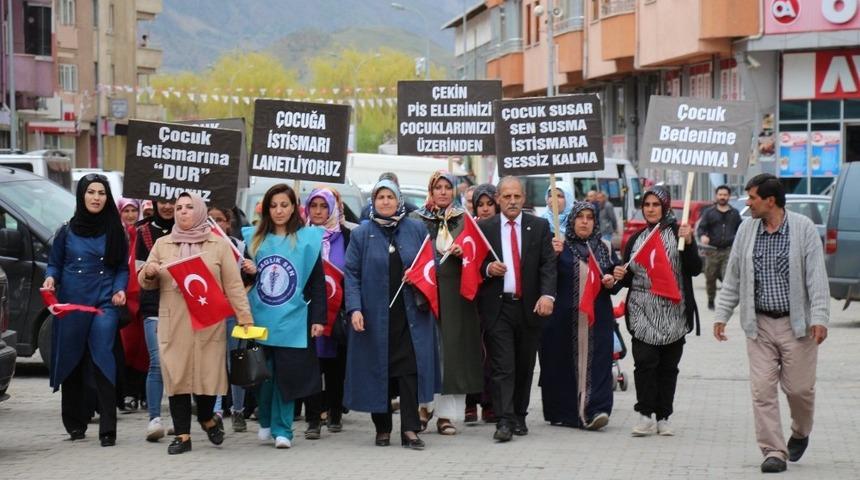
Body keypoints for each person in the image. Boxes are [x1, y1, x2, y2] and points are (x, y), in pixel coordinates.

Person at [713, 174, 829, 474]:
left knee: (800, 390)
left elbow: (817, 277)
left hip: (797, 327)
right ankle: (773, 451)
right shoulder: (747, 230)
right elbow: (734, 277)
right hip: (759, 326)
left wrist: (819, 317)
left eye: (752, 198)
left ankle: (800, 431)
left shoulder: (802, 229)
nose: (747, 203)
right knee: (762, 391)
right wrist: (721, 315)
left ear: (770, 200)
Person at [139, 192, 253, 455]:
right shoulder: (164, 244)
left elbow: (234, 286)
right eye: (179, 207)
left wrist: (245, 318)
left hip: (208, 322)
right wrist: (149, 271)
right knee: (177, 379)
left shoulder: (218, 246)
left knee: (205, 379)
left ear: (200, 210)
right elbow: (146, 281)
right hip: (174, 324)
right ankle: (182, 436)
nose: (182, 212)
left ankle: (207, 418)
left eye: (190, 207)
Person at [344, 180, 441, 450]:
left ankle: (410, 429)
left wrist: (417, 275)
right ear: (373, 201)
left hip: (410, 316)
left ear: (399, 200)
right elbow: (351, 274)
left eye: (390, 197)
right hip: (375, 316)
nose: (385, 202)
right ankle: (382, 428)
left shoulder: (416, 228)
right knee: (380, 371)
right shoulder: (362, 234)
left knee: (409, 372)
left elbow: (430, 266)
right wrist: (355, 308)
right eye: (380, 197)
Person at [43, 173, 128, 446]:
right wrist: (51, 277)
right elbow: (55, 263)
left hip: (104, 303)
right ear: (82, 195)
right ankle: (75, 424)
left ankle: (107, 427)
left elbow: (122, 268)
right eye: (91, 192)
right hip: (72, 302)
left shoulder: (116, 230)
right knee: (72, 358)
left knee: (103, 356)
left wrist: (119, 288)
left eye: (101, 193)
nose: (96, 198)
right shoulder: (66, 231)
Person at [242, 184, 327, 449]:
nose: (279, 211)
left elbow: (317, 283)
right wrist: (249, 272)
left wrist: (318, 318)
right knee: (262, 376)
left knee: (286, 377)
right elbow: (242, 282)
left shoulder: (307, 241)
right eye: (274, 205)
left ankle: (283, 429)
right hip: (260, 318)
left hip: (293, 320)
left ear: (294, 208)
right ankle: (266, 420)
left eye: (284, 205)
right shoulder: (254, 239)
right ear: (267, 209)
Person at [613, 186, 701, 438]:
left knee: (668, 367)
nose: (650, 209)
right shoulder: (636, 240)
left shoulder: (678, 234)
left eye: (655, 204)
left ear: (665, 207)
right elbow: (627, 277)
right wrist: (618, 276)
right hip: (642, 311)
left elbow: (695, 269)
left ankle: (664, 416)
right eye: (647, 205)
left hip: (674, 311)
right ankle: (644, 413)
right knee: (645, 363)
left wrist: (691, 242)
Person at [476, 176, 556, 442]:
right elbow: (474, 264)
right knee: (502, 366)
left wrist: (547, 296)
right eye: (506, 196)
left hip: (530, 307)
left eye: (516, 196)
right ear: (498, 199)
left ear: (524, 198)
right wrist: (488, 269)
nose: (511, 201)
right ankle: (504, 420)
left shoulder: (539, 226)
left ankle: (519, 415)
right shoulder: (484, 228)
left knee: (524, 365)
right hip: (498, 307)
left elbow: (547, 265)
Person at [411, 171, 483, 436]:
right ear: (430, 190)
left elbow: (478, 255)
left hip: (456, 295)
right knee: (427, 350)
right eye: (437, 187)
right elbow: (409, 253)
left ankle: (446, 416)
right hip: (425, 293)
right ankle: (423, 408)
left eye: (447, 187)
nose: (442, 192)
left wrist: (465, 253)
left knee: (452, 353)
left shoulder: (465, 221)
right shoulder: (416, 219)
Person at [540, 201, 621, 430]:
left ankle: (597, 410)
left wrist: (613, 280)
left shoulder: (604, 247)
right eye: (580, 217)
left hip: (598, 319)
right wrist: (552, 256)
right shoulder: (559, 246)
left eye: (589, 217)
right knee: (563, 364)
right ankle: (566, 413)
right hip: (563, 321)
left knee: (599, 364)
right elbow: (545, 277)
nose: (585, 221)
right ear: (572, 220)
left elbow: (615, 281)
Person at [298, 188, 353, 438]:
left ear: (332, 208)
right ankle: (313, 417)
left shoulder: (347, 236)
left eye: (323, 206)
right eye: (313, 206)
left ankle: (334, 411)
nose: (318, 211)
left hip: (338, 311)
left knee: (335, 365)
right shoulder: (300, 236)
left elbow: (353, 272)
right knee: (310, 365)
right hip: (307, 310)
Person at [208, 205, 254, 433]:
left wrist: (251, 270)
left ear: (228, 223)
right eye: (210, 219)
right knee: (214, 363)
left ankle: (238, 410)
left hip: (233, 315)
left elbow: (251, 279)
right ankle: (216, 411)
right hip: (210, 315)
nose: (215, 224)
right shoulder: (201, 247)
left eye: (219, 219)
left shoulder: (238, 247)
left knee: (235, 362)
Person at [136, 199, 175, 441]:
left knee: (177, 365)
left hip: (182, 307)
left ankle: (175, 417)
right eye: (164, 201)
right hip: (153, 306)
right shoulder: (145, 232)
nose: (169, 207)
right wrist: (151, 271)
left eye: (175, 202)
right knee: (157, 362)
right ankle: (154, 418)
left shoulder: (189, 231)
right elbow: (140, 270)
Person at [465, 183, 500, 423]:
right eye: (481, 204)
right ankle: (470, 403)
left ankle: (490, 403)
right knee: (472, 351)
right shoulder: (470, 229)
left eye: (489, 204)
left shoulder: (503, 229)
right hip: (472, 299)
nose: (485, 209)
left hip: (497, 300)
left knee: (493, 353)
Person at [116, 198, 148, 412]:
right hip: (124, 298)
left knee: (145, 348)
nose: (129, 214)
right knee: (127, 346)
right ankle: (127, 392)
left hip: (143, 296)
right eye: (125, 210)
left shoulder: (143, 233)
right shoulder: (117, 234)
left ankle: (143, 393)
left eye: (133, 210)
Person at [697, 185, 742, 310]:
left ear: (729, 196)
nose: (722, 197)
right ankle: (711, 300)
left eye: (725, 195)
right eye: (720, 194)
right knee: (710, 277)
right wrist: (702, 236)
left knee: (727, 277)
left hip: (729, 250)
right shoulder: (709, 213)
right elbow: (701, 228)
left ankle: (725, 303)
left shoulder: (734, 213)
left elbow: (741, 229)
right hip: (712, 251)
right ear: (716, 196)